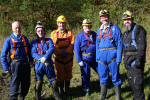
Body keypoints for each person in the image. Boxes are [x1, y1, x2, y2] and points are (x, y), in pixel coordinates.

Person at [1, 21, 33, 100]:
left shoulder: (24, 38)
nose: (18, 29)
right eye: (16, 28)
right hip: (15, 64)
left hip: (25, 63)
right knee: (15, 84)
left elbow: (29, 51)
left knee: (26, 83)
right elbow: (2, 55)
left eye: (19, 28)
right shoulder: (8, 40)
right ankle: (13, 98)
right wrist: (6, 68)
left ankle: (22, 96)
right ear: (12, 29)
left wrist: (31, 61)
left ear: (21, 28)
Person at [30, 21, 62, 100]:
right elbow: (33, 53)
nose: (40, 32)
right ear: (36, 32)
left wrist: (45, 57)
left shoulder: (49, 41)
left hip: (49, 65)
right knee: (39, 83)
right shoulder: (33, 43)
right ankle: (38, 98)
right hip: (39, 66)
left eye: (42, 30)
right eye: (38, 31)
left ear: (44, 31)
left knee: (54, 82)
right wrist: (41, 59)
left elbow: (51, 49)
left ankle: (57, 97)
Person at [96, 9, 122, 100]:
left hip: (113, 57)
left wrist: (119, 58)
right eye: (102, 17)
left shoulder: (115, 28)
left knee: (115, 77)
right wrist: (97, 57)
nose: (104, 19)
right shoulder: (99, 30)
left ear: (109, 17)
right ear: (100, 19)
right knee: (102, 77)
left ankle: (118, 97)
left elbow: (119, 43)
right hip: (101, 58)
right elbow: (97, 45)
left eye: (106, 17)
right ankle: (102, 96)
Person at [122, 11, 146, 100]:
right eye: (125, 20)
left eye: (128, 19)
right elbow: (124, 49)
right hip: (128, 63)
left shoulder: (139, 30)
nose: (126, 21)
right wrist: (125, 61)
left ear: (132, 19)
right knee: (132, 84)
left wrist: (138, 61)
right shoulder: (125, 34)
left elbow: (142, 47)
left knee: (137, 86)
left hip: (136, 62)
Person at [51, 15, 75, 96]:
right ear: (57, 24)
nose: (62, 25)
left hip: (68, 57)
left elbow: (72, 43)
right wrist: (59, 53)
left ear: (65, 24)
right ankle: (61, 90)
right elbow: (52, 45)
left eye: (63, 23)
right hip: (59, 58)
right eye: (60, 23)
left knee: (68, 74)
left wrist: (67, 52)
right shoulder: (54, 33)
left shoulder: (70, 32)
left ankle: (67, 90)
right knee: (60, 74)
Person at [74, 18, 98, 96]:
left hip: (95, 59)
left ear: (91, 26)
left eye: (88, 25)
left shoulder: (95, 34)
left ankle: (104, 86)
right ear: (83, 27)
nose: (87, 27)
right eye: (85, 25)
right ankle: (86, 90)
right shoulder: (79, 36)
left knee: (102, 72)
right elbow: (76, 49)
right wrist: (79, 60)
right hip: (85, 60)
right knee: (86, 75)